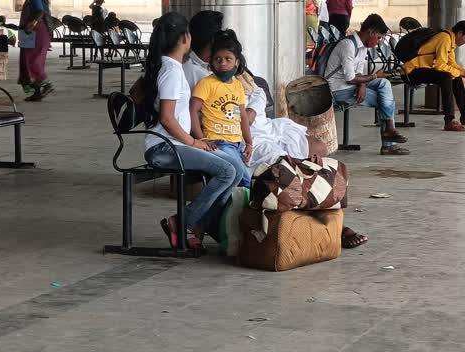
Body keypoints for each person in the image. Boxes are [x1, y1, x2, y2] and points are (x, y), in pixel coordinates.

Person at [186, 10, 367, 248]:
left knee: (314, 156)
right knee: (286, 171)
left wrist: (251, 110)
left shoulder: (231, 63)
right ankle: (324, 223)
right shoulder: (196, 74)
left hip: (258, 127)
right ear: (208, 42)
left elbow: (257, 90)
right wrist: (200, 139)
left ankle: (323, 219)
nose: (222, 59)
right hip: (232, 136)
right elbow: (190, 112)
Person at [141, 12, 242, 249]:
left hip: (174, 144)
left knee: (235, 168)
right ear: (185, 39)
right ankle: (183, 221)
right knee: (227, 172)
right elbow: (167, 119)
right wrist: (194, 142)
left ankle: (198, 222)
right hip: (164, 147)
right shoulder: (171, 71)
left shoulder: (167, 66)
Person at [326, 14, 409, 155]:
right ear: (370, 32)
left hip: (351, 85)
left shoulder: (362, 46)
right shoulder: (348, 45)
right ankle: (388, 143)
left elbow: (358, 74)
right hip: (338, 89)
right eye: (378, 37)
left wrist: (363, 85)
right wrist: (374, 76)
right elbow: (351, 78)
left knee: (384, 84)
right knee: (384, 100)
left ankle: (389, 130)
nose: (377, 42)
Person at [190, 30, 253, 187]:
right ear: (211, 62)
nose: (222, 63)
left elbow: (243, 116)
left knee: (240, 182)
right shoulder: (206, 84)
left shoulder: (238, 86)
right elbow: (192, 110)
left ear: (236, 62)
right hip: (219, 143)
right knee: (246, 181)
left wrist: (249, 143)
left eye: (228, 59)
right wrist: (201, 139)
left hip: (237, 144)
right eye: (218, 59)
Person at [402, 20, 465, 132]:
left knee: (454, 76)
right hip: (411, 71)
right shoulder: (444, 39)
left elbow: (452, 65)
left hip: (423, 69)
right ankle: (449, 121)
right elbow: (440, 66)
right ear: (460, 33)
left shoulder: (450, 40)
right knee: (446, 76)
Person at [18, 0, 56, 101]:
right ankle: (37, 94)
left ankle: (47, 84)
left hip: (36, 32)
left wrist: (32, 24)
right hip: (33, 32)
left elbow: (40, 11)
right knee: (27, 61)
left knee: (32, 61)